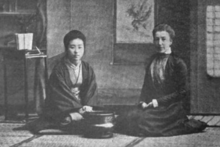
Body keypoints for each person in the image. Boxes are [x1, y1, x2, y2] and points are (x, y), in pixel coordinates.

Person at [115, 24, 207, 136]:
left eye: (163, 39)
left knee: (143, 122)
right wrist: (142, 101)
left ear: (171, 41)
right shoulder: (151, 61)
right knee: (126, 117)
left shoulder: (178, 63)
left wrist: (157, 102)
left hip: (170, 108)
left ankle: (185, 124)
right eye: (156, 39)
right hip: (152, 105)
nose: (160, 43)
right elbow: (146, 86)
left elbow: (182, 92)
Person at [28, 30, 97, 133]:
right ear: (66, 48)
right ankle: (74, 117)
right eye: (72, 47)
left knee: (102, 115)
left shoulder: (87, 68)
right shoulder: (59, 69)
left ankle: (79, 116)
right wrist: (78, 108)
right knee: (66, 119)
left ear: (84, 48)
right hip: (62, 106)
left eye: (80, 47)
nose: (76, 51)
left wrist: (87, 106)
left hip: (82, 105)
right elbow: (60, 94)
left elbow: (91, 90)